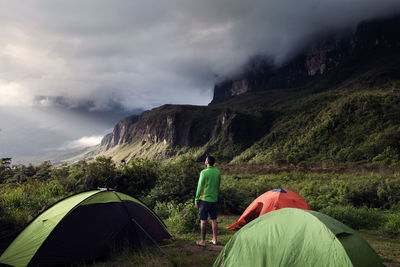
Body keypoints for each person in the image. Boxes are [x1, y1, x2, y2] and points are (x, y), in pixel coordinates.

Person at [195, 155, 221, 246]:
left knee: (203, 220)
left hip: (204, 200)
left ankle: (203, 241)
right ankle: (215, 239)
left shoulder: (204, 172)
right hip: (214, 200)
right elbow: (218, 186)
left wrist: (196, 199)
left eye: (205, 160)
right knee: (214, 219)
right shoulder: (218, 173)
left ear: (207, 162)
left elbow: (200, 186)